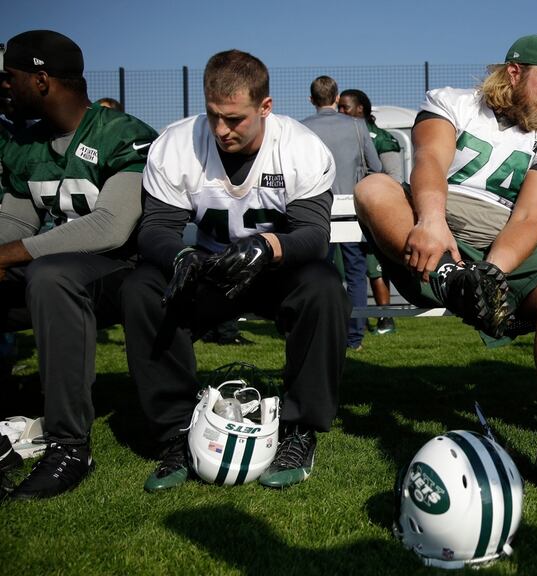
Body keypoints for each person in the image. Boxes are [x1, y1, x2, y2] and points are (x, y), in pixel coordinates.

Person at [354, 34, 537, 507]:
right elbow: (430, 160)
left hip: (500, 239)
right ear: (514, 73)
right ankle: (449, 281)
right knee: (374, 187)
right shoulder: (452, 102)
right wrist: (432, 220)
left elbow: (529, 219)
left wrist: (492, 273)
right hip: (430, 227)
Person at [123, 49, 348, 492]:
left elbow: (314, 235)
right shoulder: (176, 142)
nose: (221, 130)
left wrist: (267, 247)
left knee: (323, 287)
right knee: (141, 288)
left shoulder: (300, 147)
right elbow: (155, 229)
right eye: (213, 116)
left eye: (235, 119)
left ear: (266, 107)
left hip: (275, 272)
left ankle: (301, 429)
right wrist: (181, 257)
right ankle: (175, 433)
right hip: (206, 270)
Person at [0, 30, 157, 499]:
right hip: (55, 272)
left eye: (12, 78)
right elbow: (15, 218)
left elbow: (111, 226)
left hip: (120, 274)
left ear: (41, 79)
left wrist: (10, 255)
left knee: (51, 275)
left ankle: (69, 446)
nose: (5, 87)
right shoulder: (28, 144)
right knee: (48, 273)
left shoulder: (122, 133)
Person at [302, 76, 381, 351]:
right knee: (356, 274)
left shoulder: (301, 130)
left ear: (312, 100)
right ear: (336, 98)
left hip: (316, 212)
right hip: (351, 211)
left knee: (317, 274)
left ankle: (319, 331)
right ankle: (354, 336)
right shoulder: (358, 127)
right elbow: (376, 166)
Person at [338, 88, 401, 335]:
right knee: (351, 267)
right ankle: (358, 320)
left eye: (346, 107)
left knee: (375, 266)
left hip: (374, 209)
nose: (341, 112)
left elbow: (394, 176)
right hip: (345, 209)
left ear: (360, 109)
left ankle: (385, 318)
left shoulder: (381, 137)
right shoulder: (343, 134)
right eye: (339, 107)